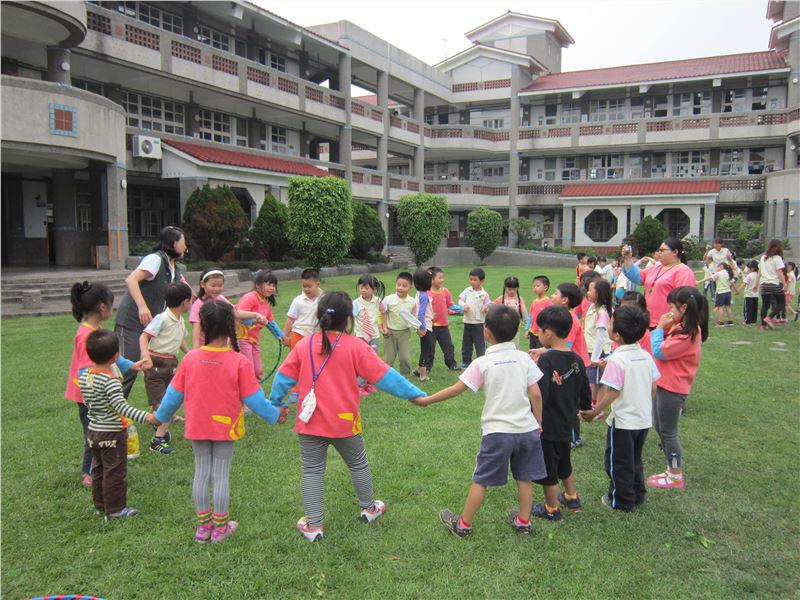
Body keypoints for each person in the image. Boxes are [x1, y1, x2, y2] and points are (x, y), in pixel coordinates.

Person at [268, 292, 425, 542]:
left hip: (310, 423)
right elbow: (384, 375)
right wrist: (414, 394)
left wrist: (277, 403)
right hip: (345, 422)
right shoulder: (356, 347)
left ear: (319, 316)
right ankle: (369, 508)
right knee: (358, 464)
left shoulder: (304, 345)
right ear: (349, 319)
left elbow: (283, 378)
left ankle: (313, 525)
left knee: (312, 471)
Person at [154, 300, 283, 543]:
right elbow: (255, 399)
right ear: (230, 325)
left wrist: (159, 416)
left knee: (201, 473)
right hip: (225, 426)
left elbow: (173, 395)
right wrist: (275, 415)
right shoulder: (239, 361)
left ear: (203, 326)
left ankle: (204, 528)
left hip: (198, 425)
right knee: (220, 475)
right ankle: (220, 528)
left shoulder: (190, 359)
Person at [414, 305, 546, 537]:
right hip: (527, 430)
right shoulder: (524, 358)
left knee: (481, 479)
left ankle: (463, 525)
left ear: (486, 332)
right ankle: (523, 522)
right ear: (517, 331)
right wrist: (538, 422)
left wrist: (427, 401)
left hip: (497, 433)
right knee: (524, 477)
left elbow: (457, 389)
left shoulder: (482, 362)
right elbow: (535, 394)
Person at [579, 304, 659, 512]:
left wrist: (595, 411)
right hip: (643, 420)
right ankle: (638, 494)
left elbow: (613, 391)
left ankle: (621, 501)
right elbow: (653, 386)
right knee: (635, 459)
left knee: (617, 462)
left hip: (623, 422)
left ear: (616, 335)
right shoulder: (645, 355)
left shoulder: (617, 359)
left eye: (611, 323)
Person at [79, 330, 158, 520]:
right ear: (115, 357)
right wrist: (148, 417)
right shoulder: (110, 382)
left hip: (93, 431)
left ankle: (100, 505)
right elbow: (122, 408)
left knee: (99, 470)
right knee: (114, 472)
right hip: (112, 434)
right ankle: (115, 509)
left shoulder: (85, 377)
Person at [531, 306, 591, 521]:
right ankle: (571, 496)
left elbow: (540, 394)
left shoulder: (546, 361)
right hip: (568, 423)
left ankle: (551, 508)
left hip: (548, 425)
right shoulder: (576, 359)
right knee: (564, 461)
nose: (537, 334)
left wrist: (535, 419)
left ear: (548, 333)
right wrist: (586, 409)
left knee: (549, 467)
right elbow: (585, 390)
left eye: (539, 330)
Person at [114, 225, 188, 397]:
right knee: (128, 369)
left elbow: (189, 292)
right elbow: (131, 279)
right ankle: (110, 410)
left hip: (151, 326)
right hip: (132, 322)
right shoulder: (156, 259)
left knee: (158, 372)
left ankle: (156, 410)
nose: (186, 247)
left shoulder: (174, 268)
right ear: (173, 242)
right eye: (183, 242)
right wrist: (142, 306)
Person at [648, 286, 708, 490]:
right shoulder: (681, 328)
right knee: (659, 426)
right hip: (664, 384)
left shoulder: (688, 334)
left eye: (671, 307)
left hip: (673, 388)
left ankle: (675, 475)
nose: (669, 311)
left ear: (683, 308)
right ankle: (670, 469)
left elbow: (659, 351)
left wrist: (658, 329)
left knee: (669, 433)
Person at [67, 282, 118, 487]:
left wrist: (132, 365)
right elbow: (85, 371)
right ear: (102, 307)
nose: (113, 308)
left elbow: (112, 355)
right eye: (112, 305)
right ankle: (89, 473)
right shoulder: (86, 335)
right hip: (88, 396)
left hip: (94, 395)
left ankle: (98, 467)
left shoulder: (95, 328)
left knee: (98, 431)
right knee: (93, 433)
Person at [531, 283, 590, 449]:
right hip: (569, 360)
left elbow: (566, 345)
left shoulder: (570, 319)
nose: (552, 296)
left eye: (555, 293)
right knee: (566, 400)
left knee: (568, 400)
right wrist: (542, 351)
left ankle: (573, 437)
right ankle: (570, 435)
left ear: (565, 300)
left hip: (571, 363)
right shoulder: (565, 317)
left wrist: (544, 353)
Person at [138, 282, 193, 455]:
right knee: (165, 405)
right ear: (185, 302)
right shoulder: (162, 318)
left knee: (168, 398)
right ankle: (158, 441)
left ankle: (156, 418)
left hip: (171, 365)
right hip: (155, 364)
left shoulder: (179, 320)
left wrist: (190, 354)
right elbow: (144, 336)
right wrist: (145, 356)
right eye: (191, 300)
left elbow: (180, 339)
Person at [621, 237, 697, 329]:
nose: (659, 252)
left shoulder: (684, 272)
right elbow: (636, 276)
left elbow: (684, 302)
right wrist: (628, 258)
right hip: (648, 322)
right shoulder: (657, 267)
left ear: (675, 252)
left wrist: (672, 323)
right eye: (659, 250)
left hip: (667, 325)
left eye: (662, 250)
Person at [189, 269, 264, 349]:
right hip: (205, 347)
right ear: (202, 284)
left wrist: (255, 314)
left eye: (220, 286)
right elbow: (196, 330)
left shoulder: (220, 298)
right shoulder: (198, 305)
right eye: (213, 286)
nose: (217, 289)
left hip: (222, 345)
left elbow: (235, 313)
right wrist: (195, 351)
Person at [235, 270, 285, 381]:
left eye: (273, 285)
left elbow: (271, 323)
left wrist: (282, 337)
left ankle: (254, 387)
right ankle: (247, 389)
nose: (271, 288)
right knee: (247, 368)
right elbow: (238, 315)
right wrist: (255, 320)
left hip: (254, 340)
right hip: (242, 338)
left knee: (257, 371)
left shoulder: (266, 303)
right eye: (268, 284)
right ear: (258, 285)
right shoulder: (250, 297)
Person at [353, 274, 387, 395]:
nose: (363, 290)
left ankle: (369, 383)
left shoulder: (377, 301)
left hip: (374, 336)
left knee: (372, 359)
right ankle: (359, 385)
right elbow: (350, 317)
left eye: (366, 288)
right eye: (361, 287)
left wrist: (384, 326)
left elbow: (384, 311)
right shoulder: (356, 303)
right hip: (360, 337)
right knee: (361, 361)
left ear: (374, 289)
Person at [584, 279, 614, 409]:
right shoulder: (592, 307)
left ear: (599, 293)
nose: (588, 292)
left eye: (591, 290)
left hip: (598, 352)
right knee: (594, 380)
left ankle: (597, 407)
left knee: (599, 381)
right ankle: (594, 404)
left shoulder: (601, 313)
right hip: (591, 350)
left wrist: (595, 358)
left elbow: (600, 338)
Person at [381, 272, 418, 376]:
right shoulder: (389, 299)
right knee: (388, 358)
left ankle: (405, 376)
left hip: (404, 333)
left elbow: (414, 318)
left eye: (404, 286)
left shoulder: (412, 302)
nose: (400, 288)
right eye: (398, 285)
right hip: (390, 333)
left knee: (405, 358)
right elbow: (382, 313)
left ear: (410, 288)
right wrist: (384, 327)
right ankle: (385, 377)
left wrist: (418, 328)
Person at [427, 267, 461, 372]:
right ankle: (427, 367)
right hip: (431, 327)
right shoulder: (427, 293)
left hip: (443, 326)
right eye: (439, 278)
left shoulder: (445, 291)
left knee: (449, 347)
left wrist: (461, 309)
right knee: (429, 348)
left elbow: (450, 304)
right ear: (432, 279)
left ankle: (452, 365)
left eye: (443, 277)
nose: (442, 280)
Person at [283, 268, 324, 348]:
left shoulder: (325, 299)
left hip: (317, 336)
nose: (306, 289)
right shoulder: (298, 300)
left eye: (309, 286)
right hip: (298, 335)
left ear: (318, 284)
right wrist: (284, 336)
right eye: (304, 286)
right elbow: (290, 320)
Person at [458, 268, 491, 368]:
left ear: (482, 281)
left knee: (480, 343)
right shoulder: (467, 291)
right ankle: (466, 361)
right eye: (471, 279)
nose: (472, 282)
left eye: (475, 280)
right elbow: (460, 300)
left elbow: (488, 304)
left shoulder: (484, 294)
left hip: (479, 323)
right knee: (466, 343)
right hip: (467, 322)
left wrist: (486, 307)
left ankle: (482, 360)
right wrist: (463, 305)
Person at [754, 239, 787, 330]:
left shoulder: (763, 258)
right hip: (774, 284)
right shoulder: (777, 258)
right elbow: (779, 272)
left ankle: (763, 325)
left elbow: (759, 272)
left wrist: (756, 284)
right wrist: (784, 284)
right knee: (781, 304)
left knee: (765, 305)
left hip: (764, 285)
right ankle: (769, 318)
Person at [413, 268, 435, 382]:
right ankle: (422, 375)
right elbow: (421, 313)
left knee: (426, 349)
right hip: (425, 326)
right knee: (426, 350)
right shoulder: (424, 296)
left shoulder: (419, 294)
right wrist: (423, 328)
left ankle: (419, 370)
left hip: (423, 325)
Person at [493, 276, 527, 345]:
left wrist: (528, 324)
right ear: (505, 288)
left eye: (514, 289)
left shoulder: (519, 299)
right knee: (503, 343)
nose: (512, 291)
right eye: (509, 289)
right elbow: (492, 306)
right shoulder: (502, 298)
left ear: (517, 288)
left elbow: (524, 312)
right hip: (502, 326)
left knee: (514, 343)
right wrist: (486, 307)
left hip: (515, 327)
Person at [699, 263, 734, 327]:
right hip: (728, 292)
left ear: (721, 267)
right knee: (728, 307)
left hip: (721, 293)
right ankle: (730, 322)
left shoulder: (718, 274)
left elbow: (709, 278)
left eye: (718, 267)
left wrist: (699, 281)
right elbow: (732, 283)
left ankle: (720, 323)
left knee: (720, 307)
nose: (716, 268)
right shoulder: (728, 273)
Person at [526, 275, 552, 350]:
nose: (535, 288)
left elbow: (550, 319)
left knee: (540, 352)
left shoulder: (548, 302)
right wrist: (527, 329)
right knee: (532, 351)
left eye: (537, 286)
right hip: (532, 332)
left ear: (545, 287)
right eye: (534, 286)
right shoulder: (534, 302)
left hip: (542, 334)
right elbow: (530, 317)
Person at [734, 260, 760, 325]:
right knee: (754, 309)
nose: (747, 269)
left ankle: (747, 321)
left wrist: (738, 291)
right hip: (756, 295)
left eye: (748, 268)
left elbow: (744, 284)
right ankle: (753, 321)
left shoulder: (749, 276)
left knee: (748, 309)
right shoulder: (758, 275)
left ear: (752, 268)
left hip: (748, 295)